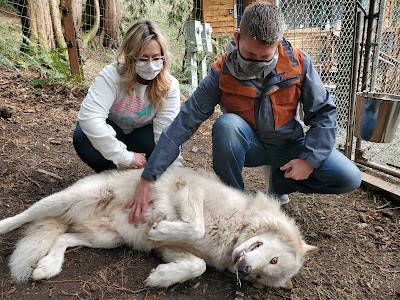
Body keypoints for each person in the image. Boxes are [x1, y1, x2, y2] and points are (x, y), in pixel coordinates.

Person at [127, 3, 362, 225]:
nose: (257, 63)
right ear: (237, 38)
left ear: (278, 43)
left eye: (265, 57)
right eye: (250, 55)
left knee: (349, 177)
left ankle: (279, 183)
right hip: (250, 147)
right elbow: (184, 122)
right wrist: (150, 176)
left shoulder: (299, 63)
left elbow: (324, 114)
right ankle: (233, 204)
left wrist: (309, 160)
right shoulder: (221, 72)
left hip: (288, 145)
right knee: (227, 126)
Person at [73, 20, 182, 173]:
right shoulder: (111, 76)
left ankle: (146, 174)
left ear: (164, 57)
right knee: (83, 136)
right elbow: (89, 119)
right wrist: (125, 157)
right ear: (130, 57)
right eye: (143, 59)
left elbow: (167, 132)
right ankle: (110, 173)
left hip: (141, 137)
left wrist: (176, 172)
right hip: (113, 134)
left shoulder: (170, 85)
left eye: (156, 58)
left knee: (161, 140)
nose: (151, 65)